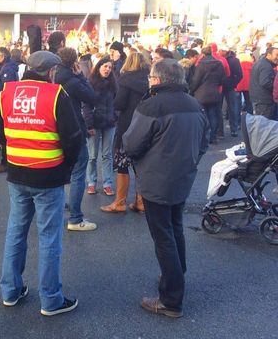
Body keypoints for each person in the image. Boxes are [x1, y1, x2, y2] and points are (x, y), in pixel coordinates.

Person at [0, 51, 82, 317]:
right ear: (51, 71)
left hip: (18, 173)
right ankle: (51, 299)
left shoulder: (5, 93)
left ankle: (10, 291)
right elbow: (73, 138)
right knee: (49, 238)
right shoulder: (56, 95)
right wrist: (65, 166)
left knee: (16, 232)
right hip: (49, 175)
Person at [123, 58, 208, 319]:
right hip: (182, 176)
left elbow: (131, 144)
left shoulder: (152, 105)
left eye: (150, 77)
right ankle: (176, 275)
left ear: (158, 80)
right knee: (175, 228)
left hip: (157, 179)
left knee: (163, 236)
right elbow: (204, 141)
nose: (149, 81)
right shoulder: (194, 104)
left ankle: (171, 298)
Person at [53, 47, 97, 231]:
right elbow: (91, 97)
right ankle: (76, 218)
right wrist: (81, 77)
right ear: (74, 63)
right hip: (74, 130)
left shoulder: (53, 77)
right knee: (79, 171)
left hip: (54, 130)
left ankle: (59, 206)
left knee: (60, 171)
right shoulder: (72, 81)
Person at [101, 52, 149, 213]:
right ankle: (140, 202)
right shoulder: (151, 80)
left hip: (127, 125)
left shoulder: (126, 80)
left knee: (123, 164)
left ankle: (120, 202)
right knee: (141, 165)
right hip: (146, 126)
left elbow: (119, 103)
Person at [82, 56, 117, 196]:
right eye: (105, 66)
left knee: (107, 155)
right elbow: (86, 105)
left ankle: (107, 183)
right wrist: (89, 124)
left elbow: (117, 102)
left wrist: (116, 116)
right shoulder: (90, 83)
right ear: (99, 67)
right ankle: (91, 182)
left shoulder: (114, 84)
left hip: (110, 123)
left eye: (110, 67)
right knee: (92, 156)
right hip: (94, 123)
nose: (107, 69)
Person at [189, 46, 225, 145]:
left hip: (201, 94)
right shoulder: (219, 64)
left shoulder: (201, 65)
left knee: (202, 116)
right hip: (214, 92)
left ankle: (203, 137)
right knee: (213, 115)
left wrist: (191, 90)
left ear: (203, 54)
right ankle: (213, 137)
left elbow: (196, 81)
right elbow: (223, 79)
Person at [217, 45, 243, 137]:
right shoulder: (234, 60)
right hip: (228, 86)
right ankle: (233, 129)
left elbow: (240, 75)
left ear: (224, 51)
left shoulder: (231, 60)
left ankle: (221, 131)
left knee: (227, 108)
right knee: (232, 108)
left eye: (220, 50)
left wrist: (232, 84)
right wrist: (234, 83)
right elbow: (240, 75)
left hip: (225, 87)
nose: (218, 52)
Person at [250, 46, 278, 119]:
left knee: (261, 123)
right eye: (277, 55)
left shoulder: (261, 63)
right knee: (264, 124)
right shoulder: (266, 66)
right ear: (268, 55)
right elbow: (265, 82)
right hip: (264, 101)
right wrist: (276, 86)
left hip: (259, 99)